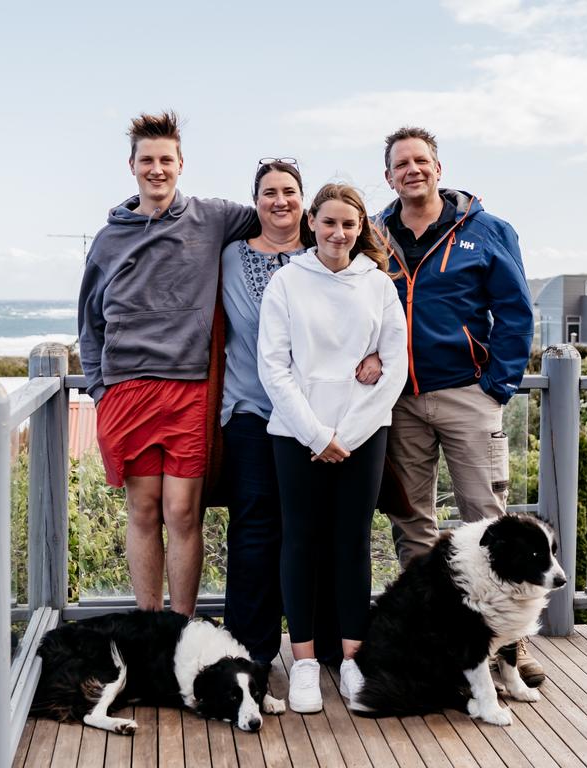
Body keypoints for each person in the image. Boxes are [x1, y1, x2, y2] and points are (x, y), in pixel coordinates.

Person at [370, 126, 541, 684]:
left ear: (438, 169)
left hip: (468, 394)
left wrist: (496, 385)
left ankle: (508, 653)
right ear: (389, 176)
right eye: (401, 164)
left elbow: (516, 311)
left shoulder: (487, 231)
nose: (412, 170)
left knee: (489, 523)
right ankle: (434, 641)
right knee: (411, 523)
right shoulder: (374, 237)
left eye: (422, 161)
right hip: (398, 401)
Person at [77, 111, 256, 617]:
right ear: (132, 166)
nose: (157, 169)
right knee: (143, 509)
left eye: (166, 160)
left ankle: (179, 630)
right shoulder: (108, 239)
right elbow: (89, 323)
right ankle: (150, 627)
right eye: (147, 160)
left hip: (189, 389)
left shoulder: (214, 216)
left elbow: (282, 216)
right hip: (126, 391)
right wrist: (99, 389)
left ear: (182, 164)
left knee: (182, 511)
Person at [220, 161, 383, 665]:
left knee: (327, 530)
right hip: (253, 408)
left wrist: (376, 354)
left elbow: (369, 323)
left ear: (306, 207)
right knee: (256, 528)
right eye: (269, 193)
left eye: (289, 191)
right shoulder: (231, 258)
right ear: (256, 202)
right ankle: (252, 651)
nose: (280, 201)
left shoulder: (333, 260)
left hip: (323, 419)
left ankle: (333, 648)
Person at [258, 182, 407, 713]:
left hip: (363, 436)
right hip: (297, 435)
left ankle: (350, 660)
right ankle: (301, 663)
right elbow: (273, 366)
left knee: (352, 543)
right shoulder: (286, 283)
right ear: (312, 224)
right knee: (299, 542)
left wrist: (350, 435)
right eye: (328, 223)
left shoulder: (379, 286)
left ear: (361, 227)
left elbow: (394, 366)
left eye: (349, 224)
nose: (338, 233)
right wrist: (318, 436)